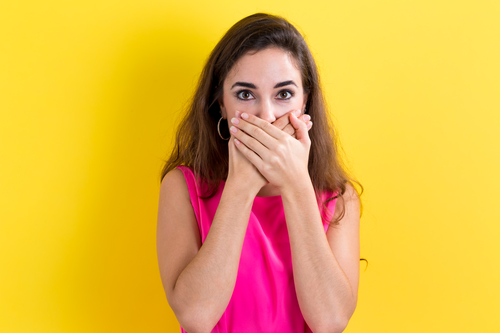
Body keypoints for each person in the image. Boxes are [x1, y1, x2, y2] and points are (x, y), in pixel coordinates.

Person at [156, 12, 363, 333]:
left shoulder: (339, 198)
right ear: (220, 104)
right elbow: (195, 317)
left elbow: (331, 322)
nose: (266, 116)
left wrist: (296, 186)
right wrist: (241, 186)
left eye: (284, 94)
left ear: (306, 101)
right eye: (245, 94)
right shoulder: (182, 188)